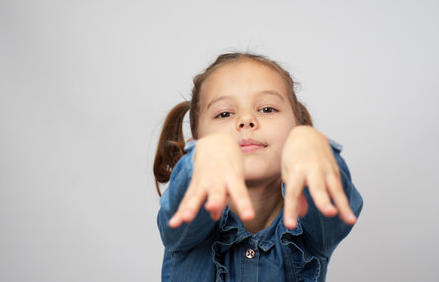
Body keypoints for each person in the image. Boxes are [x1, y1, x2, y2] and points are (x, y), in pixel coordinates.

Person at [153, 52, 363, 282]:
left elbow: (335, 202)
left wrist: (316, 146)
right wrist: (197, 162)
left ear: (295, 132)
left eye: (267, 109)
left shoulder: (314, 227)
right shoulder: (185, 226)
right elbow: (182, 196)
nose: (246, 120)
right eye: (224, 113)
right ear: (196, 145)